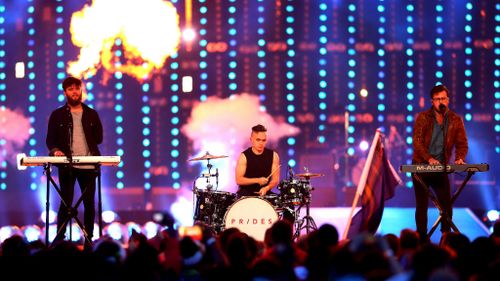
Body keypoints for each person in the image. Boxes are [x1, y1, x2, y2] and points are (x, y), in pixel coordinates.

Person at [46, 76, 103, 247]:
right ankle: (60, 240)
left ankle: (88, 240)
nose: (75, 92)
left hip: (88, 165)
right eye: (70, 89)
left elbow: (99, 138)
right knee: (66, 202)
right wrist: (56, 151)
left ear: (81, 90)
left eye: (77, 88)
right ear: (65, 92)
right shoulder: (57, 115)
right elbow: (50, 140)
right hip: (67, 165)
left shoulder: (92, 113)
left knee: (89, 204)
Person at [411, 84, 468, 242]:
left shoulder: (456, 120)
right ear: (432, 101)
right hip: (421, 167)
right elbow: (417, 141)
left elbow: (462, 143)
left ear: (448, 100)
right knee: (421, 205)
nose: (440, 101)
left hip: (441, 169)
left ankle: (445, 237)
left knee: (446, 205)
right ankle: (422, 239)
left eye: (443, 98)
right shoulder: (423, 117)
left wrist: (460, 158)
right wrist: (429, 158)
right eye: (437, 99)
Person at [235, 124, 280, 197]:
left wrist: (266, 188)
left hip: (265, 192)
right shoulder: (244, 156)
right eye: (258, 140)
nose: (261, 143)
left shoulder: (274, 156)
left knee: (285, 205)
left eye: (263, 140)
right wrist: (257, 180)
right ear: (251, 139)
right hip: (246, 194)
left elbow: (275, 180)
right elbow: (239, 180)